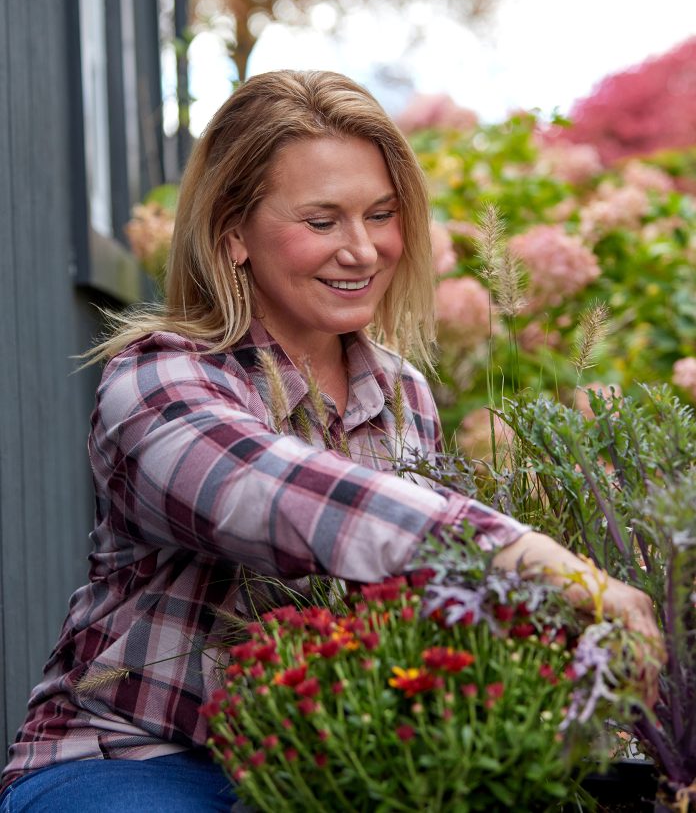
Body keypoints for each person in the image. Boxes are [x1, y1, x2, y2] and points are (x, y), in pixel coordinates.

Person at [0, 70, 662, 812]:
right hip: (136, 760)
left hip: (325, 757)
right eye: (322, 222)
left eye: (381, 214)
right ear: (233, 234)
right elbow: (276, 496)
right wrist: (521, 552)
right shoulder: (157, 380)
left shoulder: (402, 390)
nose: (364, 250)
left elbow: (415, 597)